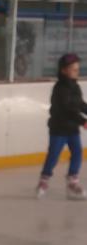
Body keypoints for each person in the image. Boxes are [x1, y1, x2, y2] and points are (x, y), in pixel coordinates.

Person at [36, 52, 87, 199]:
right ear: (64, 70)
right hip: (59, 129)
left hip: (72, 129)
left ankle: (72, 182)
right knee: (54, 155)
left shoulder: (75, 87)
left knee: (77, 153)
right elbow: (67, 109)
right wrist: (83, 121)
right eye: (73, 69)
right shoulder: (59, 89)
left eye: (77, 69)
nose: (77, 71)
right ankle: (44, 180)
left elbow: (79, 104)